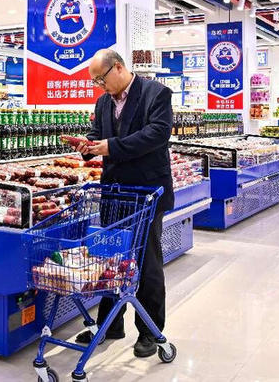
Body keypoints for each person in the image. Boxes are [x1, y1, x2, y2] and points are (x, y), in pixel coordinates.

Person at [76, 49, 174, 358]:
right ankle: (109, 324)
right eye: (95, 82)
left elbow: (157, 134)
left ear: (118, 68)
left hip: (146, 193)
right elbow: (97, 134)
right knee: (111, 260)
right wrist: (88, 145)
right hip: (114, 194)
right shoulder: (104, 101)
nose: (99, 87)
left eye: (101, 79)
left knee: (147, 265)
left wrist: (111, 147)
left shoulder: (156, 93)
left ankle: (149, 330)